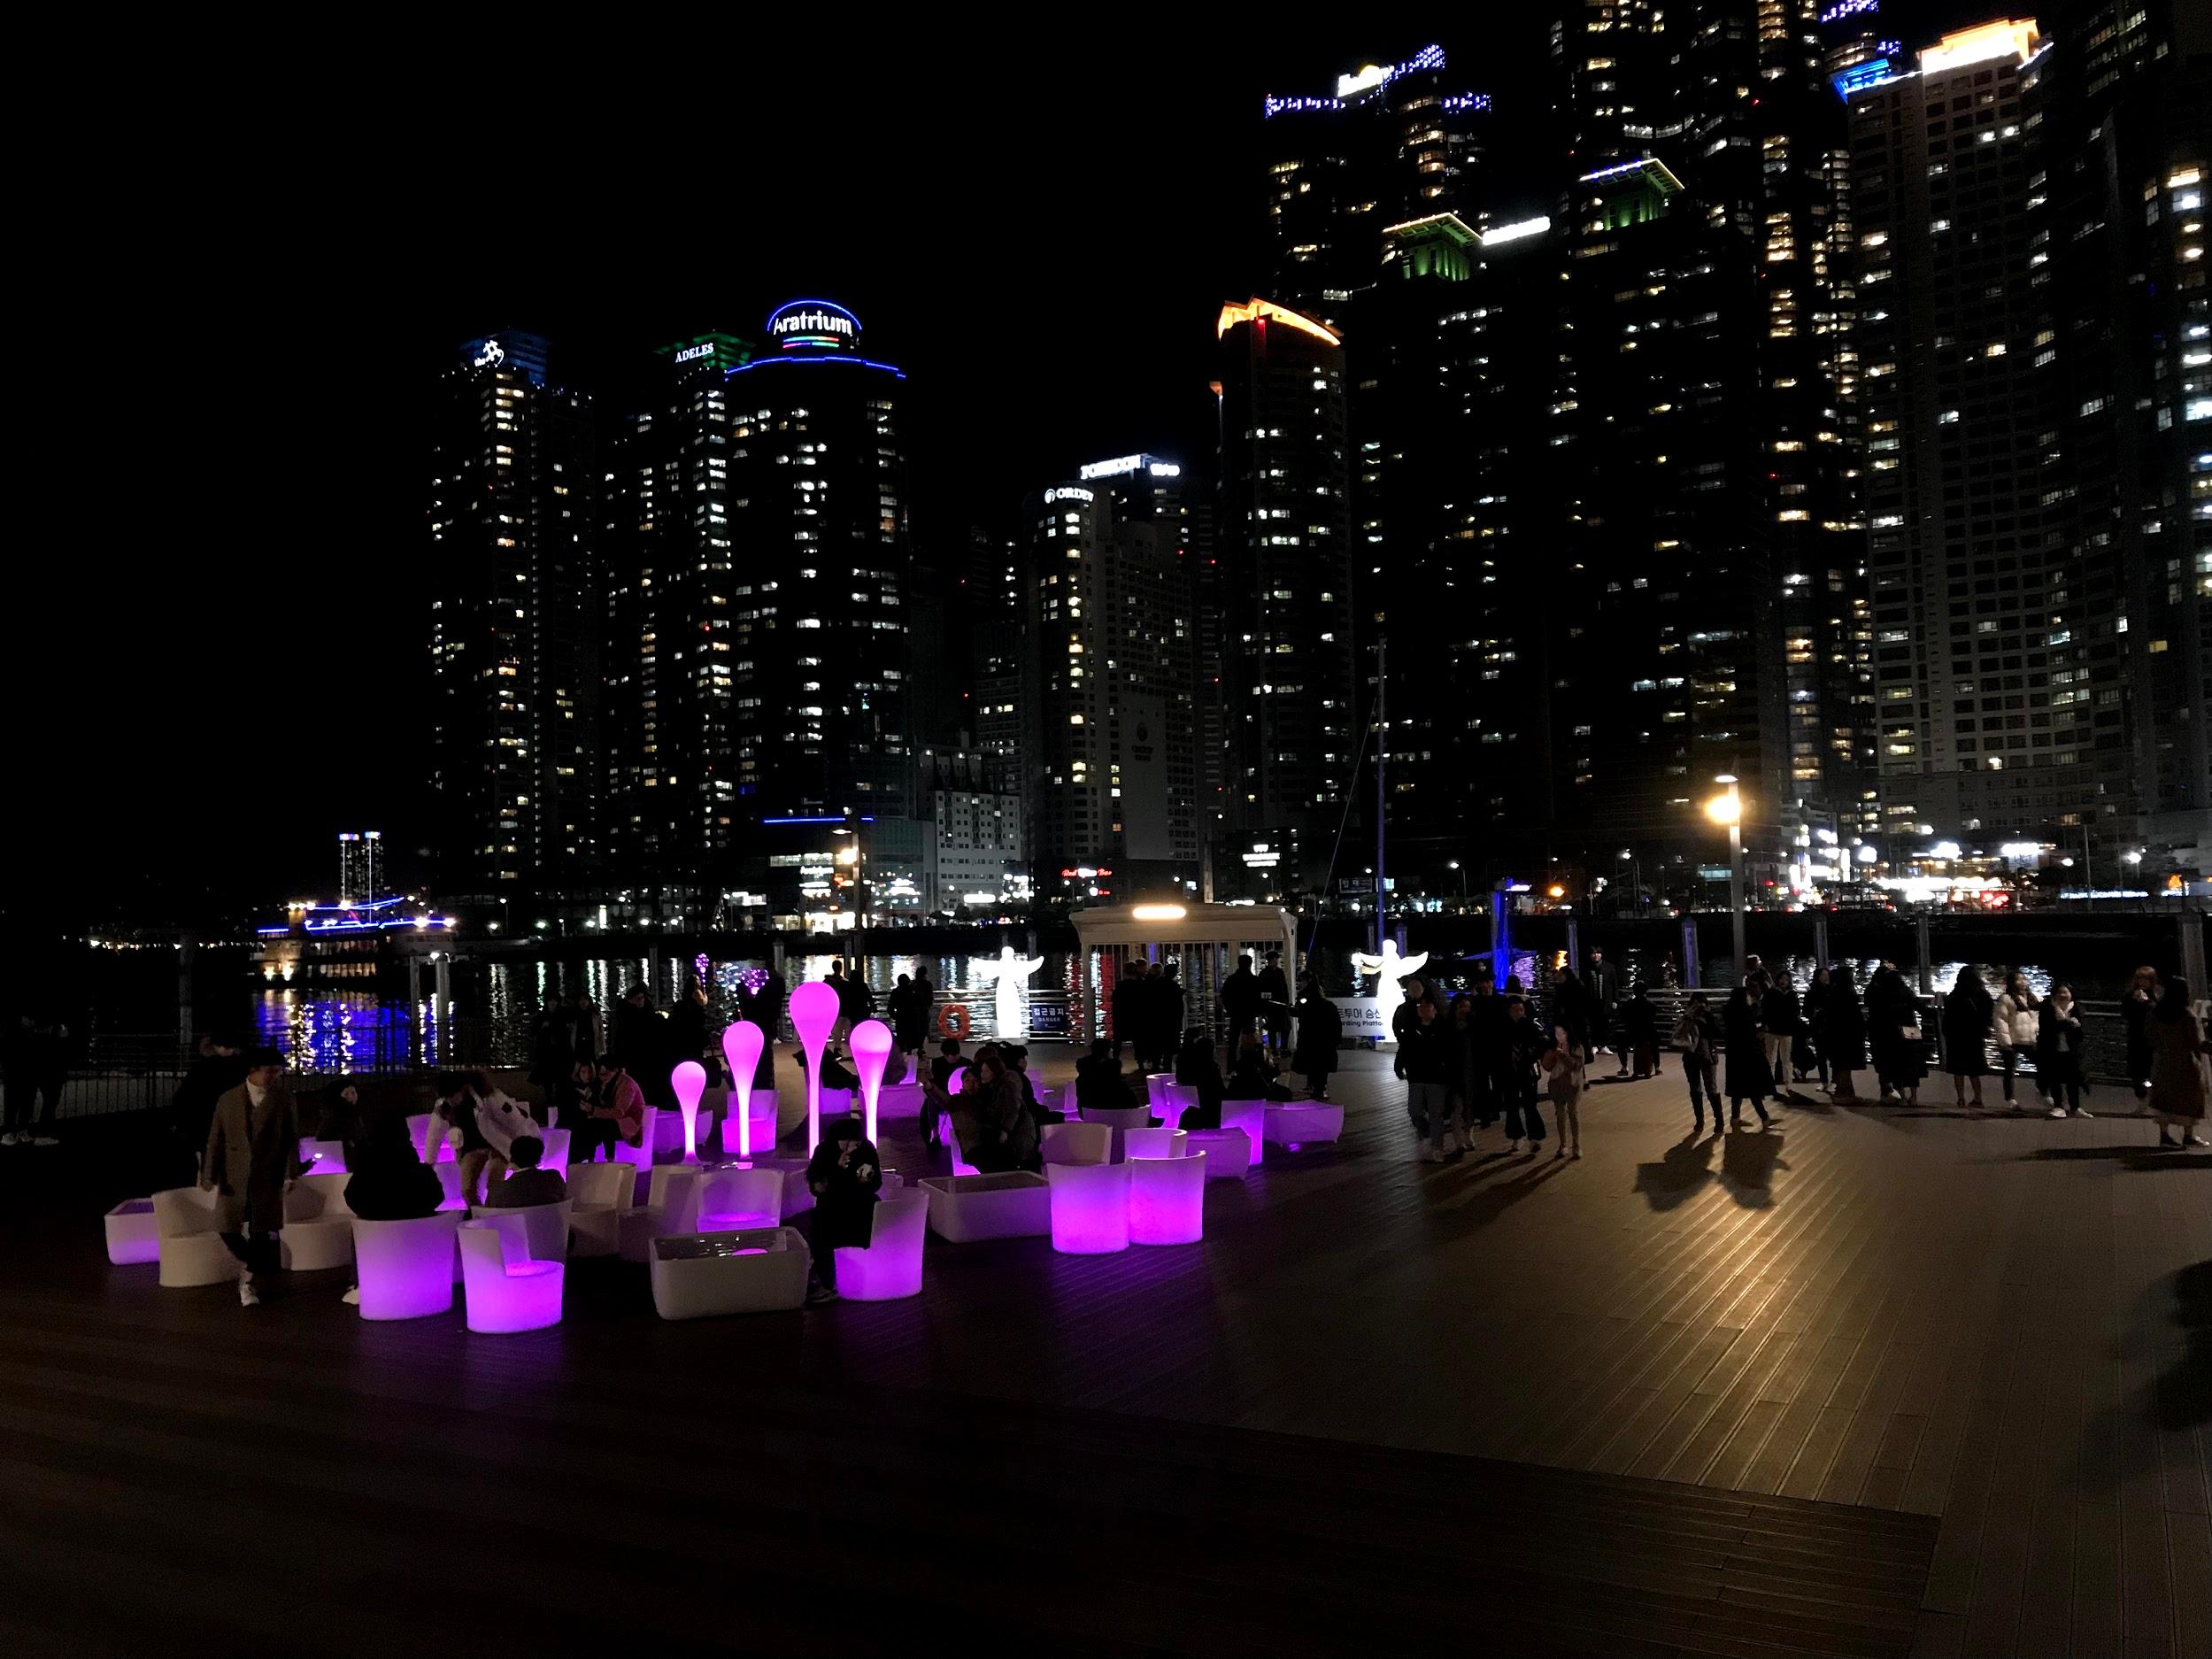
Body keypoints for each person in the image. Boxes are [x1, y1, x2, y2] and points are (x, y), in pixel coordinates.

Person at [200, 1046, 302, 1308]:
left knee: (260, 1229)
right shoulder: (228, 1099)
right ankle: (253, 1266)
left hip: (267, 1174)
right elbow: (215, 1138)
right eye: (270, 1071)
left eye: (278, 1072)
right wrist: (209, 1173)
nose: (274, 1077)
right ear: (252, 1070)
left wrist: (291, 1173)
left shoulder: (283, 1099)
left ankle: (249, 1285)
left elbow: (291, 1139)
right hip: (233, 1173)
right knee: (226, 1227)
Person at [804, 1115, 883, 1303]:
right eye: (844, 1142)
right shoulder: (824, 1150)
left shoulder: (867, 1150)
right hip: (832, 1203)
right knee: (822, 1223)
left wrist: (866, 1181)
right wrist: (830, 1174)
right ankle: (826, 1280)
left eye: (854, 1143)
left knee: (859, 1219)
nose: (849, 1147)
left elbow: (876, 1182)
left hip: (859, 1203)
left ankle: (847, 1277)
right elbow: (816, 1183)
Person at [951, 1043, 1037, 1173]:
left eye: (986, 1070)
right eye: (981, 1070)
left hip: (1017, 1135)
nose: (982, 1074)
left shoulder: (1006, 1085)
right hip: (1005, 1137)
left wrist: (1004, 1131)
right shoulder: (990, 1089)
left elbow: (1012, 1110)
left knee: (1006, 1163)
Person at [2144, 979, 2210, 1150]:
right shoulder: (2187, 1015)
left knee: (2164, 1098)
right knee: (2190, 1097)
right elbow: (2195, 1042)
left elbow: (2149, 1037)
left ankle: (2164, 1136)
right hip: (2185, 1062)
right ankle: (2189, 1135)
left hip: (2163, 1060)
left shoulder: (2155, 1013)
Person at [170, 1036, 245, 1176]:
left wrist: (179, 1122)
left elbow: (184, 1097)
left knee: (208, 1166)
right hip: (232, 1125)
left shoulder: (201, 1069)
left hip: (204, 1124)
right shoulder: (240, 1069)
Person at [1396, 996, 1456, 1162]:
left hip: (1436, 1078)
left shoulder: (1442, 1030)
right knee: (1414, 1111)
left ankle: (1438, 1147)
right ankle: (1425, 1132)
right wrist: (1399, 1066)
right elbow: (1403, 1050)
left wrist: (1446, 1069)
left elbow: (1450, 1053)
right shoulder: (1411, 1030)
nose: (1424, 1010)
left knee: (1436, 1114)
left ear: (1435, 1011)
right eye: (1421, 1008)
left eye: (1428, 1007)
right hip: (1416, 1077)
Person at [1865, 962, 1923, 1106]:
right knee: (1912, 1062)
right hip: (1911, 1029)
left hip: (1893, 1032)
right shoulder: (1907, 991)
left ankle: (1902, 1097)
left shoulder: (1883, 993)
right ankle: (1914, 1097)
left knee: (1897, 1064)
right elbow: (1920, 1007)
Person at [1499, 993, 1548, 1154]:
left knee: (1530, 1104)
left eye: (1521, 1009)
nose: (1519, 1013)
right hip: (1509, 1070)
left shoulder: (1531, 1026)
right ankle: (1516, 1136)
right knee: (1511, 1105)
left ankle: (1535, 1137)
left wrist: (1531, 1053)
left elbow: (1542, 1044)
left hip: (1528, 1070)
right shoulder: (1503, 1027)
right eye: (1515, 1010)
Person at [1940, 967, 1994, 1110]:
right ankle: (1978, 1098)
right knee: (1974, 1070)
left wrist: (1946, 1032)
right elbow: (1988, 1013)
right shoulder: (1982, 994)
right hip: (1974, 1036)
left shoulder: (1955, 994)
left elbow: (1948, 1017)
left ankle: (1960, 1098)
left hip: (1957, 1036)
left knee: (1958, 1070)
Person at [1722, 984, 1775, 1130]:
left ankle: (1735, 1117)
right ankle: (1764, 1117)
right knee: (1753, 1088)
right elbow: (1751, 1036)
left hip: (1734, 1056)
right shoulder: (1746, 1014)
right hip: (1749, 1055)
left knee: (1737, 1088)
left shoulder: (1729, 1013)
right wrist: (1761, 1032)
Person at [2036, 984, 2092, 1118]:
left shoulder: (2077, 1008)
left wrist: (2075, 1027)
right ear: (2054, 994)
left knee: (2073, 1079)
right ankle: (2058, 1107)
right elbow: (2047, 1028)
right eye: (2059, 992)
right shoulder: (2047, 1008)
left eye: (2065, 992)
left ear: (2071, 993)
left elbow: (2082, 1033)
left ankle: (2075, 1107)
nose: (2063, 995)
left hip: (2072, 1050)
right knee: (2055, 1078)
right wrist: (2069, 1024)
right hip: (2052, 1049)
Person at [1673, 993, 1723, 1136]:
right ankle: (1700, 1121)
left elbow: (1718, 1033)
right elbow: (1679, 1033)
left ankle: (1719, 1121)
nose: (1698, 1007)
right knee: (1695, 1089)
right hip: (1690, 1056)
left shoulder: (1709, 1016)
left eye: (1700, 1003)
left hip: (1707, 1055)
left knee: (1711, 1088)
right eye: (1695, 1004)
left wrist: (1707, 1017)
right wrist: (1688, 1017)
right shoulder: (1686, 1017)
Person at [1992, 971, 2040, 1113]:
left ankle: (2041, 1090)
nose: (2022, 982)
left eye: (2024, 978)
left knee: (2043, 1064)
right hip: (2012, 1040)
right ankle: (2010, 1099)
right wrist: (2005, 1041)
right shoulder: (2006, 999)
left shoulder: (2033, 998)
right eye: (2018, 979)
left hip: (2030, 1039)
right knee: (2009, 1069)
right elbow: (2000, 1020)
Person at [613, 986, 669, 1107]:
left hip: (648, 1059)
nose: (640, 1001)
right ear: (630, 1000)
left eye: (641, 998)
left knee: (648, 1090)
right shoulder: (625, 1017)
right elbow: (620, 1041)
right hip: (636, 1060)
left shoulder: (646, 1014)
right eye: (637, 999)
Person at [1821, 967, 1869, 1102]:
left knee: (1842, 1064)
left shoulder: (1835, 991)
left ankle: (1846, 1092)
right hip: (1846, 1034)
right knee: (1844, 1064)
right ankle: (1843, 1094)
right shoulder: (1845, 992)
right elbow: (1851, 1014)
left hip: (1839, 1034)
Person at [1538, 1025, 1586, 1159]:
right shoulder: (1552, 1048)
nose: (1559, 1035)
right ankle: (1563, 1145)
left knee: (1573, 1112)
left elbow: (1577, 1066)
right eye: (1557, 1033)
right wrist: (1551, 1055)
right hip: (1556, 1084)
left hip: (1572, 1084)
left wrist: (1565, 1056)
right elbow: (1546, 1066)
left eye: (1562, 1032)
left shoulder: (1577, 1047)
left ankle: (1576, 1146)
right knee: (1560, 1114)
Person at [484, 1133, 566, 1208]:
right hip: (553, 1224)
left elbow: (488, 1216)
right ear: (539, 1159)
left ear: (511, 1158)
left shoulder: (498, 1191)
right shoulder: (554, 1178)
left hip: (513, 1225)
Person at [587, 1054, 647, 1155]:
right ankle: (590, 1157)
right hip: (614, 1120)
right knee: (589, 1124)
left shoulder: (627, 1085)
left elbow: (619, 1112)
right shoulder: (605, 1083)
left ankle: (608, 1159)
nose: (602, 1078)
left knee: (605, 1125)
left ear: (615, 1070)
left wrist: (594, 1111)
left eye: (605, 1074)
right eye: (599, 1074)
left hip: (629, 1124)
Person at [1292, 976, 1342, 1100]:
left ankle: (1313, 1087)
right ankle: (1320, 1088)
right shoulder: (1329, 1006)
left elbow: (1296, 1014)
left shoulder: (1305, 1007)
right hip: (1325, 1041)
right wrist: (1336, 1039)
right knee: (1323, 1067)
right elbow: (1336, 1024)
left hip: (1308, 1040)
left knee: (1311, 1065)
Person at [1173, 1026, 1226, 1132]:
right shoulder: (1211, 1068)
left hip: (1190, 1100)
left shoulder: (1189, 1062)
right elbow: (1220, 1091)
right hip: (1211, 1109)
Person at [1761, 975, 1802, 1104]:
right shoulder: (1772, 993)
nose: (1784, 981)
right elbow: (1765, 1010)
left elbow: (1797, 1011)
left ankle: (1788, 1085)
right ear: (1778, 980)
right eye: (1782, 979)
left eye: (1786, 979)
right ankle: (1768, 1085)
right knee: (1771, 1059)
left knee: (1786, 1059)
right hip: (1773, 1030)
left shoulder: (1790, 994)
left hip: (1785, 1030)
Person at [2121, 966, 2159, 1104]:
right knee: (2136, 1071)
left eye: (2146, 979)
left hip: (2152, 1037)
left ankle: (2154, 1098)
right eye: (2140, 979)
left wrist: (2148, 1003)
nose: (2143, 982)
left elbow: (2160, 1013)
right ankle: (2141, 1100)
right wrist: (2134, 1002)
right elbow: (2125, 1013)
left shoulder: (2157, 993)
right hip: (2136, 1037)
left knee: (2152, 1069)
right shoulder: (2130, 994)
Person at [1585, 948, 1624, 1075]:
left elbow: (1614, 985)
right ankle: (1595, 1044)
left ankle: (1604, 1044)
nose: (1595, 955)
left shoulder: (1609, 968)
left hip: (1606, 1001)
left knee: (1605, 1022)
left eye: (1597, 953)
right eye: (1593, 953)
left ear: (1601, 954)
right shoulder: (1586, 968)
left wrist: (1615, 1000)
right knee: (1593, 1023)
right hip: (1591, 1001)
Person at [1075, 1038, 1135, 1116]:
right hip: (1113, 1109)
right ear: (1108, 1050)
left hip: (1086, 1110)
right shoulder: (1114, 1065)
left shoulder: (1083, 1064)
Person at [1228, 1031, 1293, 1102]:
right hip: (1260, 1091)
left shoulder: (1240, 1057)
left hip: (1242, 1091)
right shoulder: (1258, 1055)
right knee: (1286, 1093)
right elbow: (1267, 1073)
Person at [667, 979, 712, 1076]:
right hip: (693, 1043)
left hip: (684, 1044)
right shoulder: (695, 1008)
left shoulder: (680, 1005)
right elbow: (700, 1025)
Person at [1550, 968, 1592, 1066]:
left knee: (1576, 1048)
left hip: (1574, 1021)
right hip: (1573, 1021)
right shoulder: (1570, 986)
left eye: (1561, 975)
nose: (1559, 977)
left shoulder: (1572, 986)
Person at [1621, 984, 1661, 1080]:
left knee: (1621, 1045)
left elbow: (1624, 1016)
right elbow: (1654, 1017)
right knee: (1655, 1044)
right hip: (1648, 1031)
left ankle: (1624, 1067)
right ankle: (1657, 1067)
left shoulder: (1630, 1003)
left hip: (1633, 1031)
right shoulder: (1651, 1004)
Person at [1257, 951, 1293, 1056]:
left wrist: (1286, 1001)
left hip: (1281, 1005)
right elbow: (1262, 991)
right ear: (1271, 960)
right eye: (1275, 959)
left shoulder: (1279, 972)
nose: (1277, 961)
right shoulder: (1265, 974)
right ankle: (1275, 1049)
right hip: (1271, 1006)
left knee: (1285, 1029)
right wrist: (1268, 1001)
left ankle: (1283, 1048)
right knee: (1273, 1029)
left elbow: (1284, 988)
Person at [1800, 968, 1830, 1087]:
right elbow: (1805, 1011)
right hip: (1818, 1027)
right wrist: (1814, 1013)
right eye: (1823, 975)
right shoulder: (1811, 993)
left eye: (1826, 975)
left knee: (1831, 1054)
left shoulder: (1831, 990)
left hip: (1830, 1026)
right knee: (1821, 1055)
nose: (1825, 977)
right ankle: (1824, 1081)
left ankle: (1834, 1080)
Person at [1221, 954, 1262, 1039]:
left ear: (1239, 963)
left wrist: (1229, 1009)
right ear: (1250, 964)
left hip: (1235, 1012)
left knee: (1234, 1036)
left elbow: (1224, 995)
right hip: (1250, 1012)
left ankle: (1232, 1051)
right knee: (1250, 1036)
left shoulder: (1231, 979)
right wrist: (1259, 1010)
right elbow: (1261, 996)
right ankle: (1248, 1051)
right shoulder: (1254, 980)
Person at [1113, 962, 1147, 1063]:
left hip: (1122, 1017)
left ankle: (1116, 1061)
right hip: (1137, 1017)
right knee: (1139, 1041)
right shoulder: (1141, 985)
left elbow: (1115, 1002)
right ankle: (1140, 1062)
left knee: (1117, 1042)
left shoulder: (1120, 986)